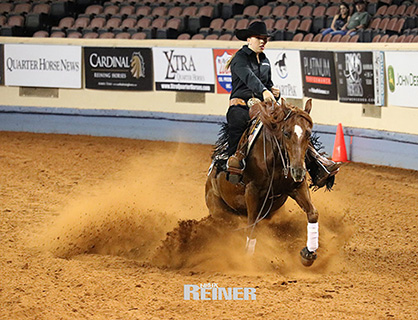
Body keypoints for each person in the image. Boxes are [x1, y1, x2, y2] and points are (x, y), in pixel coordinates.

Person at [224, 21, 341, 187]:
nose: (263, 41)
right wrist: (264, 91)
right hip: (242, 106)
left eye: (265, 38)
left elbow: (267, 82)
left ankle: (318, 163)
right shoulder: (239, 59)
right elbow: (249, 77)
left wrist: (272, 91)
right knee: (237, 123)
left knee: (294, 125)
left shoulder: (265, 61)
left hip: (263, 107)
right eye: (259, 38)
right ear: (249, 39)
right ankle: (234, 163)